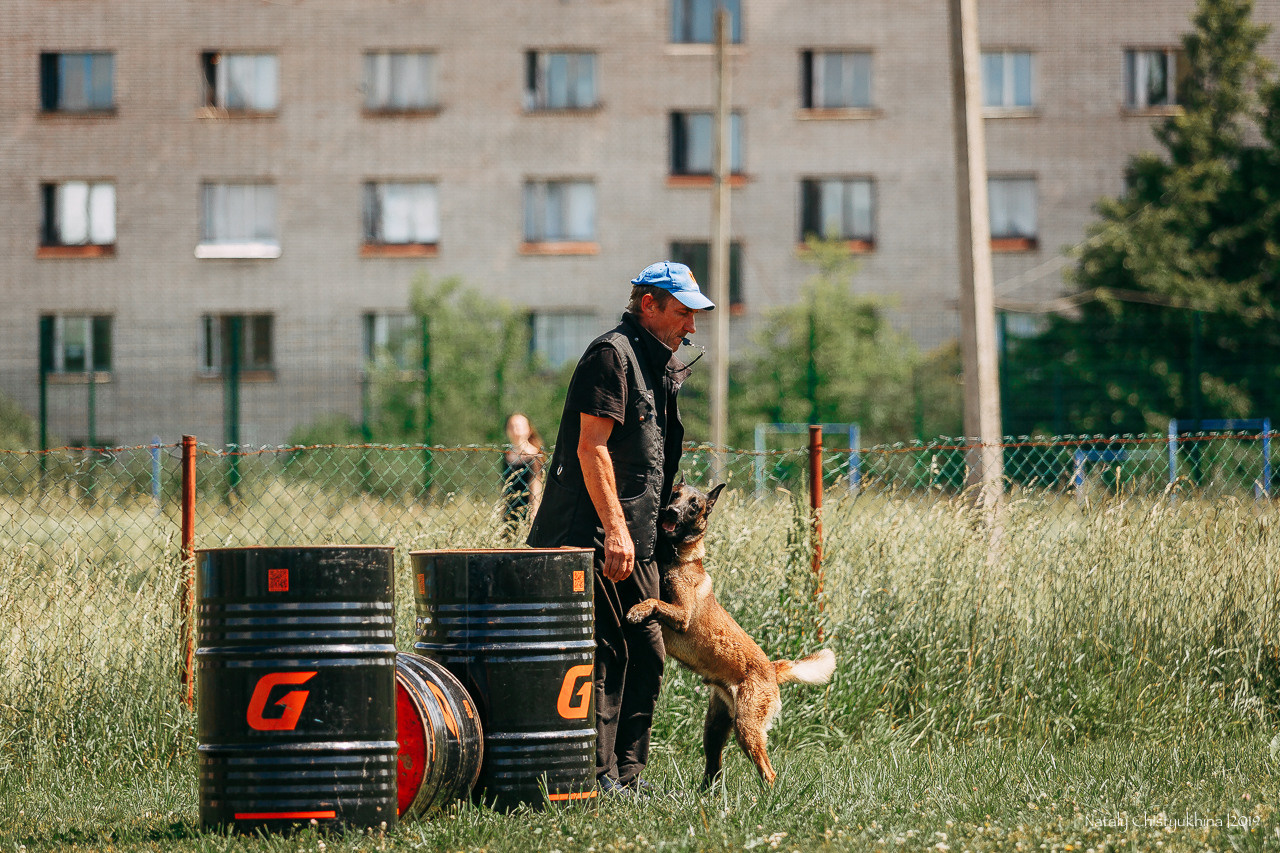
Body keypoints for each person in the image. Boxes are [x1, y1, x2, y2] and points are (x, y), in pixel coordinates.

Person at [526, 261, 713, 796]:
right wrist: (616, 531)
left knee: (648, 652)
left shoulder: (658, 364)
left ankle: (627, 777)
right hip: (599, 535)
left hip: (640, 539)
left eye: (694, 316)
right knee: (610, 652)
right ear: (648, 304)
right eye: (683, 313)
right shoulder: (612, 355)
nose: (691, 327)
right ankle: (600, 778)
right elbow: (592, 447)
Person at [500, 412, 544, 537]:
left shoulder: (535, 455)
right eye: (511, 426)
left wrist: (533, 514)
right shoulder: (506, 454)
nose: (515, 430)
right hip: (509, 508)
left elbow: (536, 488)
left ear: (529, 429)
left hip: (528, 507)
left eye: (519, 426)